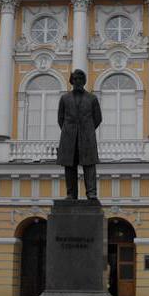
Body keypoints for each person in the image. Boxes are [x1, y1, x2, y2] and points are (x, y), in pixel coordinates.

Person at [57, 69, 102, 200]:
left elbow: (98, 118)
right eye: (75, 79)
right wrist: (69, 130)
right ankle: (71, 194)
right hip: (69, 137)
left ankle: (91, 193)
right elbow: (60, 118)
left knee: (89, 165)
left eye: (81, 79)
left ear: (84, 81)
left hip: (87, 137)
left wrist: (87, 130)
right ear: (72, 81)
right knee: (70, 166)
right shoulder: (65, 98)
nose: (78, 81)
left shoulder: (92, 98)